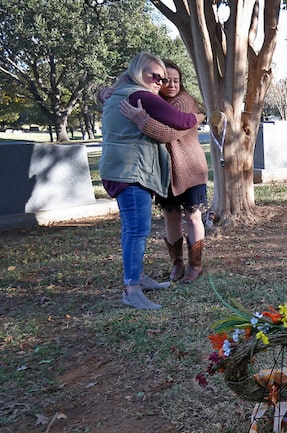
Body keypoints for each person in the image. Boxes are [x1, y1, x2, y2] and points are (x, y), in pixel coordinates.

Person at [99, 52, 201, 310]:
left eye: (163, 77)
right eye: (154, 76)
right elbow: (181, 121)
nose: (160, 81)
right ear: (137, 72)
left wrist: (103, 93)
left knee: (131, 230)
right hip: (131, 173)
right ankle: (132, 289)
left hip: (119, 170)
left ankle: (139, 277)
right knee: (136, 231)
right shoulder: (139, 95)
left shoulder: (120, 92)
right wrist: (201, 118)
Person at [120, 60, 209, 284]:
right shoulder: (153, 101)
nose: (171, 84)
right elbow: (117, 93)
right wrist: (105, 92)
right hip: (164, 171)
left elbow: (169, 133)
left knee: (193, 216)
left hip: (190, 169)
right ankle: (177, 263)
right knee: (170, 217)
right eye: (166, 80)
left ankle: (195, 265)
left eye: (176, 80)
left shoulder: (183, 102)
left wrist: (141, 120)